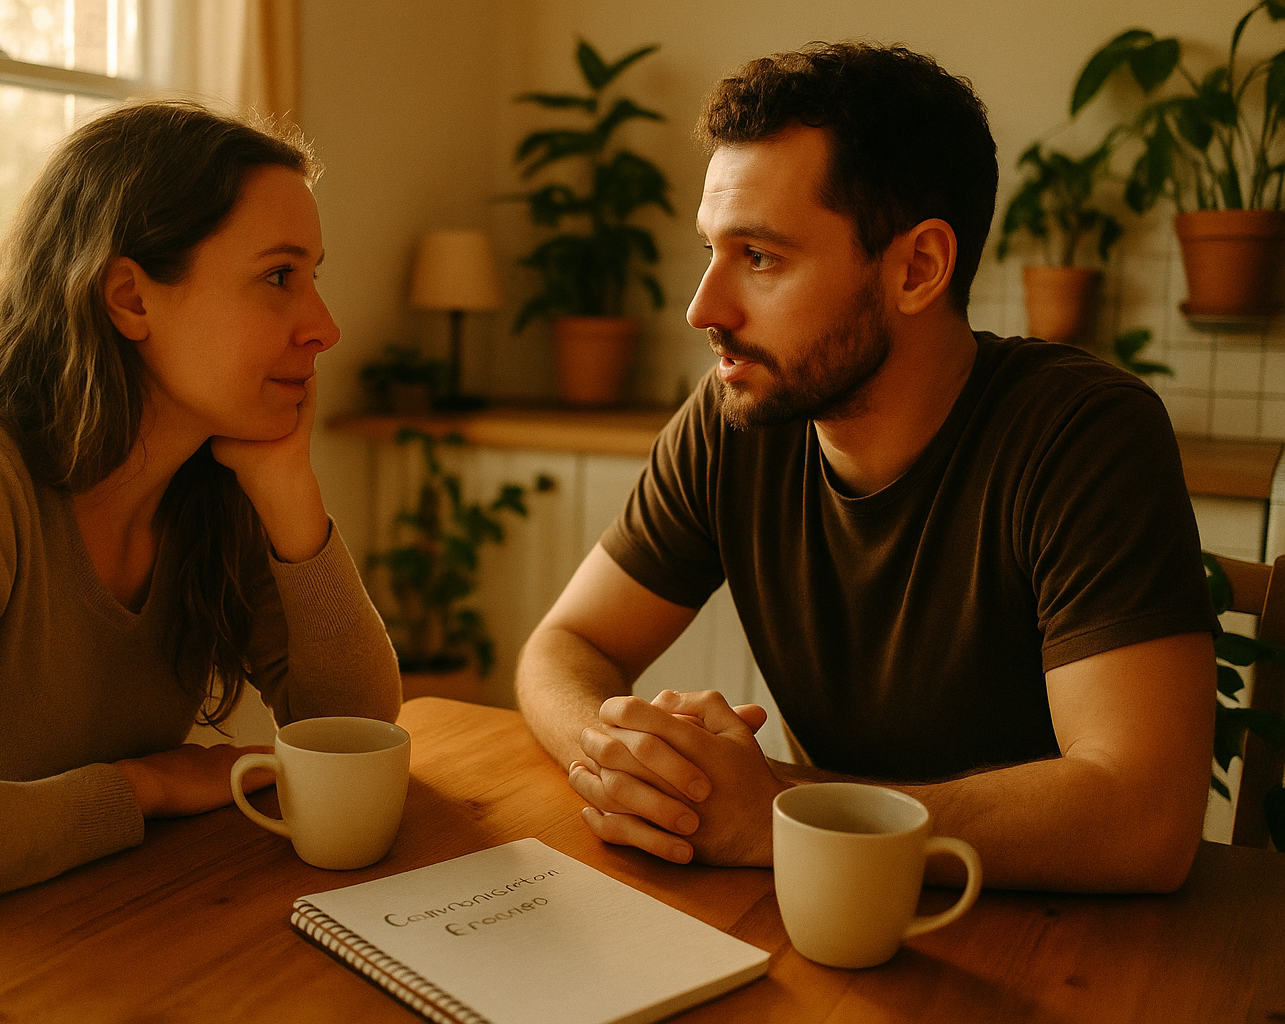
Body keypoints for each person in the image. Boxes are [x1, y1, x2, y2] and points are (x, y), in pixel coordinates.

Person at [515, 43, 1218, 894]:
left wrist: (777, 812)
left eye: (761, 257)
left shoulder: (1082, 434)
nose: (704, 307)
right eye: (712, 250)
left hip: (1054, 946)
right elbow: (566, 645)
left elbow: (1144, 816)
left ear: (917, 268)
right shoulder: (737, 416)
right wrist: (635, 763)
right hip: (839, 916)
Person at [0, 101, 401, 928]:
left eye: (314, 276)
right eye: (280, 277)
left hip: (80, 914)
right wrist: (145, 785)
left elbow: (354, 735)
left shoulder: (209, 482)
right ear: (130, 298)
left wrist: (291, 486)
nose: (325, 328)